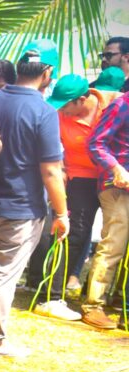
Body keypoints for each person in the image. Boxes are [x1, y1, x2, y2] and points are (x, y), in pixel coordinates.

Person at [0, 40, 70, 355]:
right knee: (3, 274)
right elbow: (51, 171)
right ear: (48, 72)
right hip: (21, 208)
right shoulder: (44, 111)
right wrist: (61, 214)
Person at [42, 75, 111, 296]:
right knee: (76, 232)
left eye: (65, 105)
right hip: (81, 177)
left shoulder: (112, 104)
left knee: (113, 238)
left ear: (82, 99)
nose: (61, 110)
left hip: (114, 177)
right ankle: (54, 290)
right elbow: (54, 149)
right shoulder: (59, 117)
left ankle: (99, 294)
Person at [84, 89, 129, 329]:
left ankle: (118, 305)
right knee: (113, 246)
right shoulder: (122, 104)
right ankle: (93, 305)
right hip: (118, 187)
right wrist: (116, 168)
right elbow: (95, 142)